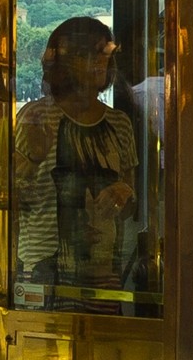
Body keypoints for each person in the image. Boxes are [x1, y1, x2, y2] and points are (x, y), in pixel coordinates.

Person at [7, 17, 135, 305]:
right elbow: (12, 199)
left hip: (101, 267)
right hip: (42, 266)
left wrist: (122, 193)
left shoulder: (118, 123)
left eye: (104, 53)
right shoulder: (35, 117)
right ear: (64, 63)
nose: (99, 62)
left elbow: (130, 207)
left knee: (101, 346)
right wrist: (34, 159)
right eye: (89, 54)